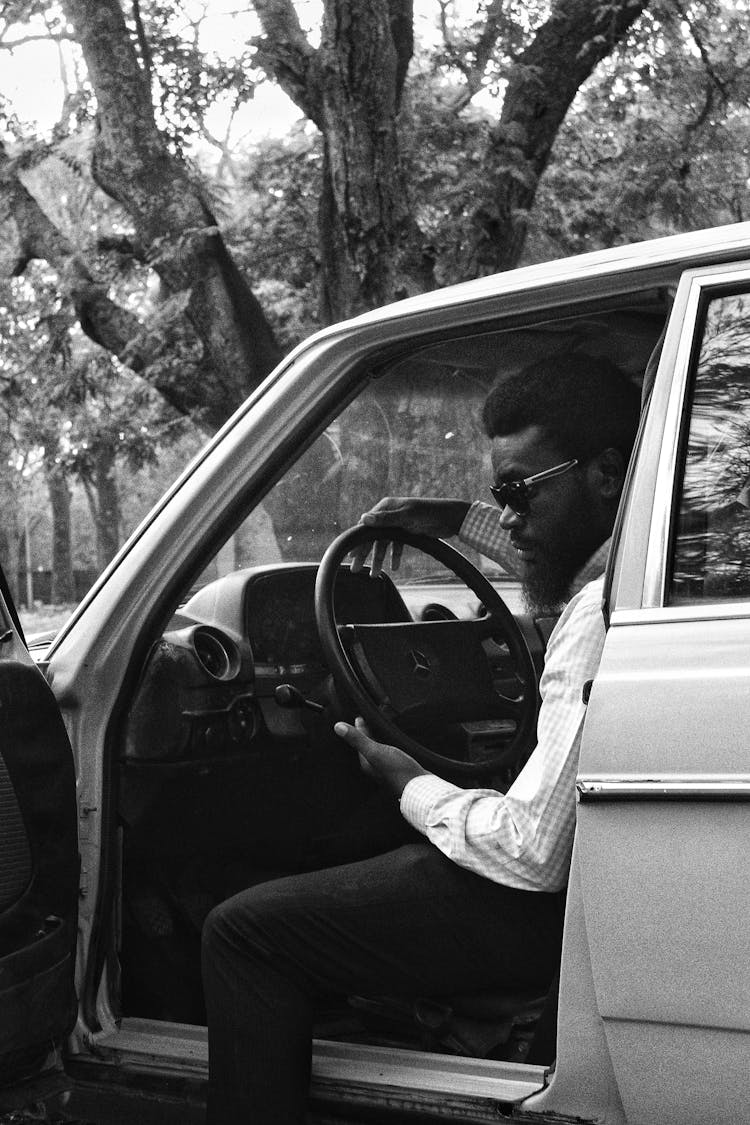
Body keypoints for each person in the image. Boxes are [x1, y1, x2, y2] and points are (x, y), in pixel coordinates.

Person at [201, 352, 642, 1125]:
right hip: (603, 892)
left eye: (517, 490)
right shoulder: (638, 569)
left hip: (546, 910)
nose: (505, 514)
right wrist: (451, 521)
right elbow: (551, 551)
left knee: (242, 931)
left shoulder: (601, 613)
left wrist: (410, 783)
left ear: (606, 474)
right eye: (495, 495)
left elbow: (532, 852)